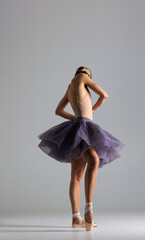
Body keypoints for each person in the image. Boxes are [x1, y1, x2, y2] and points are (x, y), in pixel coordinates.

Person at [38, 66, 125, 231]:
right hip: (84, 127)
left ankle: (76, 217)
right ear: (87, 74)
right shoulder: (83, 78)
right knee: (94, 160)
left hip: (75, 129)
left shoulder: (70, 86)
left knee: (76, 176)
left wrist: (76, 117)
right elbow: (104, 94)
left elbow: (58, 111)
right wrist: (93, 110)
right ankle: (89, 209)